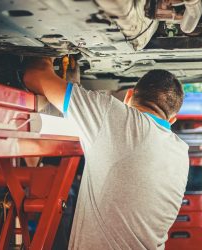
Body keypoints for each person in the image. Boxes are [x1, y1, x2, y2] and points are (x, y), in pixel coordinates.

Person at [23, 58, 189, 250]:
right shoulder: (180, 153)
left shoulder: (115, 116)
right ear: (172, 119)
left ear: (128, 97)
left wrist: (48, 54)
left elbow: (34, 76)